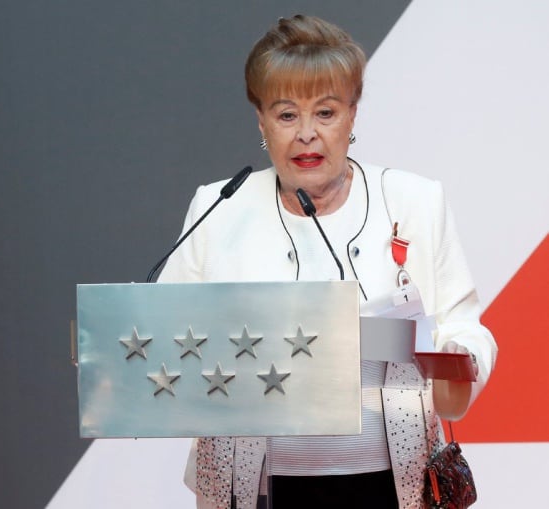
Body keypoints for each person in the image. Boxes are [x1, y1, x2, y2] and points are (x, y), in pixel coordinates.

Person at [157, 14, 497, 509]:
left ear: (353, 115)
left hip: (387, 481)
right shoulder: (220, 207)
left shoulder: (413, 201)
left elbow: (463, 328)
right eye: (287, 114)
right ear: (261, 121)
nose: (307, 135)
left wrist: (462, 358)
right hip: (250, 482)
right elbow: (166, 336)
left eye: (326, 112)